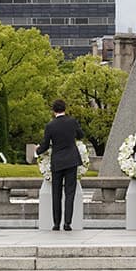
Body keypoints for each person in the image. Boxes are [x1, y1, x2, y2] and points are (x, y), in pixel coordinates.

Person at [36, 99, 84, 231]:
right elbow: (81, 135)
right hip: (71, 160)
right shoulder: (72, 121)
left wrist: (37, 150)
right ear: (65, 109)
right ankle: (67, 223)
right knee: (70, 193)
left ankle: (56, 223)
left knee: (56, 193)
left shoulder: (50, 125)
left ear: (53, 111)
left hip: (57, 161)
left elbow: (45, 145)